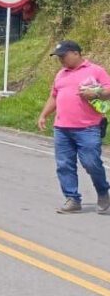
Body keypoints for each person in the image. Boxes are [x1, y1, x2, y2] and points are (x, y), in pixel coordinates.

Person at [37, 40, 110, 214]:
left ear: (76, 53)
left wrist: (95, 92)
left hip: (88, 128)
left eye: (63, 56)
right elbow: (54, 96)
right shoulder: (61, 74)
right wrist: (44, 114)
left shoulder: (95, 70)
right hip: (62, 128)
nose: (61, 59)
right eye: (59, 57)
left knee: (91, 163)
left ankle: (103, 193)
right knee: (64, 165)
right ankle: (72, 199)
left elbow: (108, 90)